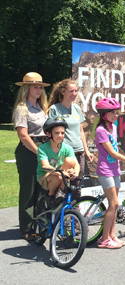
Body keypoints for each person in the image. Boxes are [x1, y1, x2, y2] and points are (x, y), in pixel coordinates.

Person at [95, 97, 125, 249]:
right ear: (103, 114)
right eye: (112, 112)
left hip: (115, 169)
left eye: (116, 112)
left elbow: (115, 148)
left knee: (115, 204)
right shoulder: (100, 130)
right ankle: (104, 239)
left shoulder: (112, 127)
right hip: (105, 170)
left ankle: (112, 234)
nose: (116, 115)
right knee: (113, 203)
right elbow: (112, 153)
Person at [12, 72, 49, 240]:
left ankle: (41, 225)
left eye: (40, 87)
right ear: (27, 88)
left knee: (43, 188)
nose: (39, 89)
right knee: (29, 189)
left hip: (44, 147)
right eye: (35, 86)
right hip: (29, 150)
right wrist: (39, 151)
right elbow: (23, 135)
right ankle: (27, 229)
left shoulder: (43, 107)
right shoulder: (22, 108)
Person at [48, 79, 94, 194]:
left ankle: (75, 210)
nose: (74, 94)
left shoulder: (77, 108)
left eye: (75, 91)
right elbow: (52, 131)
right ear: (63, 92)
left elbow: (80, 130)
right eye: (71, 91)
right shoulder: (55, 109)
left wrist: (86, 150)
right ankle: (59, 210)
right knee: (62, 183)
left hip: (79, 151)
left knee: (77, 184)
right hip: (64, 153)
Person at [37, 117, 80, 202]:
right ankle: (50, 196)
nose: (60, 136)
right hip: (46, 176)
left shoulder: (68, 148)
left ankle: (61, 191)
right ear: (49, 134)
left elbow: (76, 164)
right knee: (59, 177)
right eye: (56, 133)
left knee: (70, 160)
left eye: (62, 133)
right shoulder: (43, 148)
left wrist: (75, 172)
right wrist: (61, 172)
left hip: (62, 175)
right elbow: (45, 166)